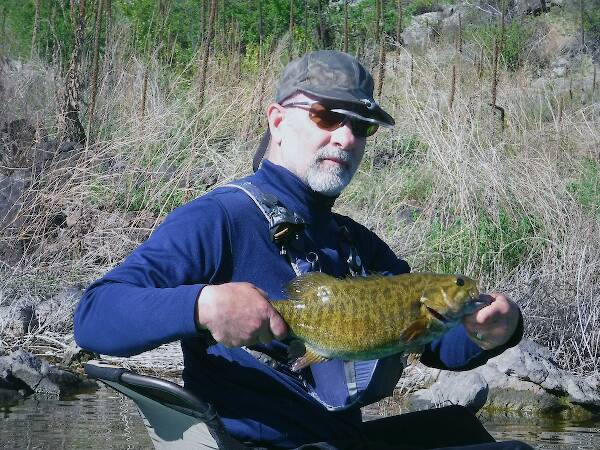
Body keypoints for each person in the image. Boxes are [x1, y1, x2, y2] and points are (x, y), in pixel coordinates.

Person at [74, 51, 531, 450]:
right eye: (327, 116)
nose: (346, 137)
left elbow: (427, 342)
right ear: (276, 120)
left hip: (340, 440)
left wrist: (491, 332)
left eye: (362, 126)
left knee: (461, 431)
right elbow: (94, 316)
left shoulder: (356, 242)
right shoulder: (218, 219)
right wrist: (202, 305)